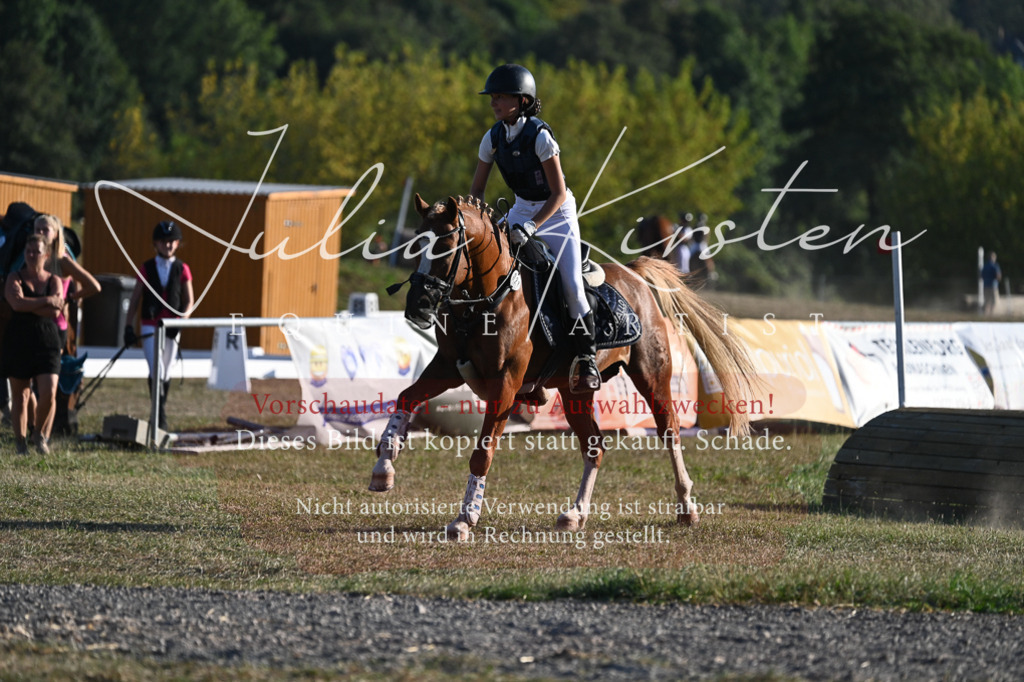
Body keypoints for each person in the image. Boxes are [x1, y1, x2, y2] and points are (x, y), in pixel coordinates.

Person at [469, 63, 599, 393]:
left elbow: (557, 193)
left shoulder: (540, 136)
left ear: (522, 101)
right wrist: (482, 224)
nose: (494, 102)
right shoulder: (492, 137)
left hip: (556, 213)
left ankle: (587, 360)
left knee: (571, 283)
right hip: (521, 207)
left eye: (501, 97)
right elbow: (477, 192)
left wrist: (531, 226)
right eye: (492, 97)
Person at [124, 221, 194, 430]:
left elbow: (189, 300)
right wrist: (129, 326)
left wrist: (182, 321)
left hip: (172, 325)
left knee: (167, 370)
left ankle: (158, 411)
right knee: (156, 367)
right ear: (156, 244)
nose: (168, 246)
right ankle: (159, 415)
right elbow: (135, 299)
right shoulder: (146, 268)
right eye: (164, 242)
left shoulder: (182, 268)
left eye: (172, 242)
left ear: (178, 243)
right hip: (150, 325)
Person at [1, 235, 63, 454]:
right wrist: (46, 301)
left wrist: (29, 304)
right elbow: (16, 305)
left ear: (45, 255)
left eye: (36, 251)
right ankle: (20, 442)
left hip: (47, 338)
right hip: (19, 338)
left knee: (49, 390)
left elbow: (56, 311)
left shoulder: (54, 280)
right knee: (21, 394)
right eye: (28, 251)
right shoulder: (14, 278)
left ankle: (38, 434)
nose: (31, 255)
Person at [981, 251, 1002, 315]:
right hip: (993, 286)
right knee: (994, 301)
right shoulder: (995, 266)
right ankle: (991, 313)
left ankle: (985, 314)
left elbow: (981, 275)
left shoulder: (985, 266)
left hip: (985, 286)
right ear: (993, 257)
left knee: (987, 301)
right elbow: (998, 276)